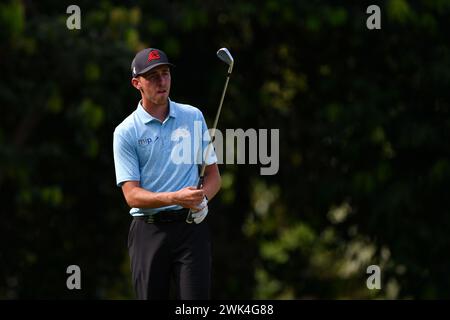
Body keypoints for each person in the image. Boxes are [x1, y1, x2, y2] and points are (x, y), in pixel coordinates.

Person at [113, 48, 221, 300]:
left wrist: (202, 198)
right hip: (148, 233)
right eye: (153, 76)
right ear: (136, 83)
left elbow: (214, 177)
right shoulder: (126, 132)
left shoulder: (192, 116)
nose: (162, 81)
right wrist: (176, 198)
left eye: (165, 73)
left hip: (191, 229)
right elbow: (132, 195)